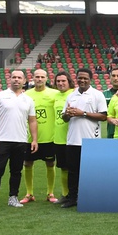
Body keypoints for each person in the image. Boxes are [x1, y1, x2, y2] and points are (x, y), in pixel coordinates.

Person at [0, 69, 38, 211]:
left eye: (19, 77)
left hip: (21, 141)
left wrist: (34, 139)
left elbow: (32, 121)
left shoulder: (28, 100)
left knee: (16, 171)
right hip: (2, 140)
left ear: (24, 81)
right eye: (14, 77)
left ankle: (13, 197)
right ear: (10, 79)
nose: (16, 80)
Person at [60, 68, 108, 208]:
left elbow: (103, 116)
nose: (82, 80)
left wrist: (83, 113)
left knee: (90, 171)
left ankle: (91, 198)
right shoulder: (71, 95)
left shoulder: (97, 95)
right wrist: (68, 114)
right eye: (80, 78)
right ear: (76, 78)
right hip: (73, 140)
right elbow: (64, 118)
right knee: (72, 171)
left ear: (90, 79)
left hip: (91, 140)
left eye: (85, 78)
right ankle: (72, 198)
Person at [21, 68, 59, 203]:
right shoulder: (26, 94)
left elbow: (70, 94)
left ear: (47, 78)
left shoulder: (55, 93)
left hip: (49, 136)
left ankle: (50, 193)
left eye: (42, 77)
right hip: (30, 137)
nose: (39, 79)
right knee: (27, 163)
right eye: (37, 77)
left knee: (50, 163)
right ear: (33, 78)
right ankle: (29, 194)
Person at [49, 71, 73, 203]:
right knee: (63, 167)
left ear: (69, 81)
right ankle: (65, 194)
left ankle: (76, 193)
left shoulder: (75, 94)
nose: (60, 83)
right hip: (58, 138)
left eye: (63, 81)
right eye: (58, 81)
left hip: (72, 138)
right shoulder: (55, 95)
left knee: (74, 168)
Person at [100, 66, 118, 139]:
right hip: (111, 132)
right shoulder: (104, 95)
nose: (116, 78)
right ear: (110, 77)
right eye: (113, 76)